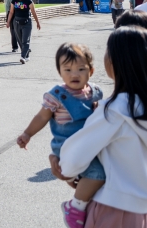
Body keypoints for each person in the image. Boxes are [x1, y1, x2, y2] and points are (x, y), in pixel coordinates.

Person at [57, 27, 147, 228]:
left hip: (111, 207)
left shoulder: (114, 110)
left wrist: (67, 170)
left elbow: (74, 158)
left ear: (115, 62)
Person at [17, 43, 106, 227]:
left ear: (91, 70)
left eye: (81, 69)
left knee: (98, 171)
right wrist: (27, 134)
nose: (74, 74)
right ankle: (75, 207)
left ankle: (82, 190)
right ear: (60, 71)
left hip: (89, 144)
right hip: (68, 145)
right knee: (97, 174)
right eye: (68, 69)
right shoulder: (56, 95)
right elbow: (42, 116)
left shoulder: (94, 92)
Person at [8, 0, 42, 64]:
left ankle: (22, 57)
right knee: (20, 40)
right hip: (16, 22)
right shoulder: (14, 1)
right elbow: (11, 12)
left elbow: (33, 12)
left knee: (25, 40)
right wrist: (8, 22)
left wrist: (37, 22)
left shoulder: (28, 1)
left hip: (27, 23)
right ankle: (26, 55)